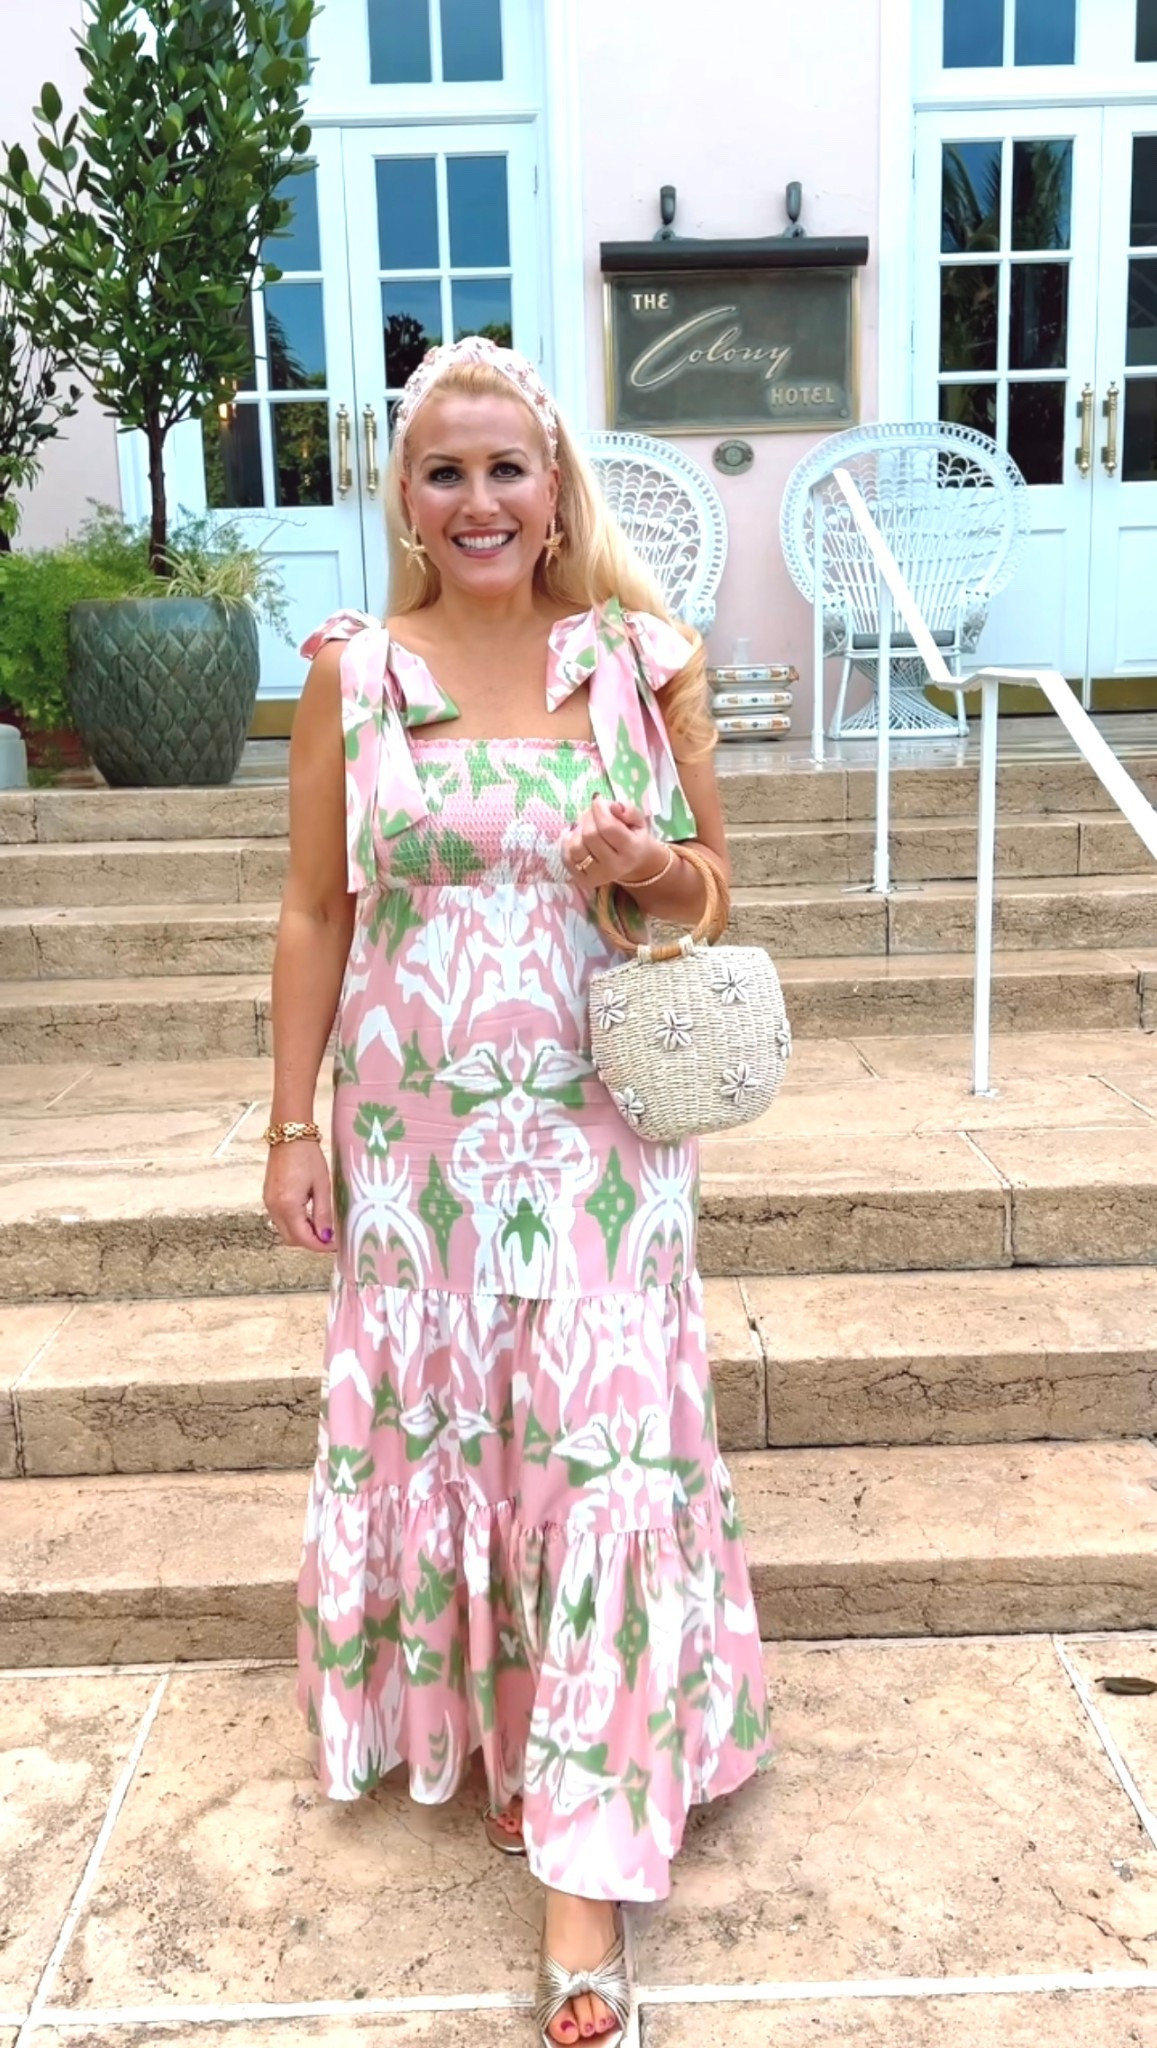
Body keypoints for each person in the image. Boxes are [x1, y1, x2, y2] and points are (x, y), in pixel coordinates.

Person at [263, 334, 771, 2047]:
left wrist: (647, 866)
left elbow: (706, 900)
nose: (476, 500)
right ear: (403, 500)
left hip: (600, 1135)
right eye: (441, 472)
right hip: (416, 1143)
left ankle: (583, 1867)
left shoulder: (641, 657)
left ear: (556, 492)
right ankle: (508, 1729)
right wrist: (289, 1120)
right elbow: (317, 913)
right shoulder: (352, 672)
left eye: (506, 467)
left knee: (603, 1447)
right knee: (465, 1434)